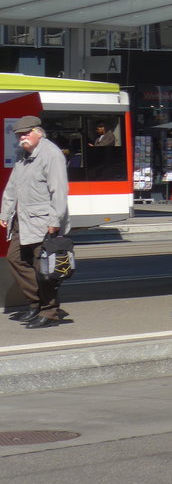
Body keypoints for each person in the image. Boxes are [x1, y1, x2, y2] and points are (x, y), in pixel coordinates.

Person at [1, 116, 71, 328]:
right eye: (18, 135)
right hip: (22, 220)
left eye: (25, 133)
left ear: (38, 132)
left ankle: (49, 312)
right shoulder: (23, 154)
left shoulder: (51, 155)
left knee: (44, 269)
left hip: (44, 222)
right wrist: (5, 213)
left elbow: (59, 191)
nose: (21, 138)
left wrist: (55, 220)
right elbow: (12, 187)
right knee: (15, 260)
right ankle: (35, 303)